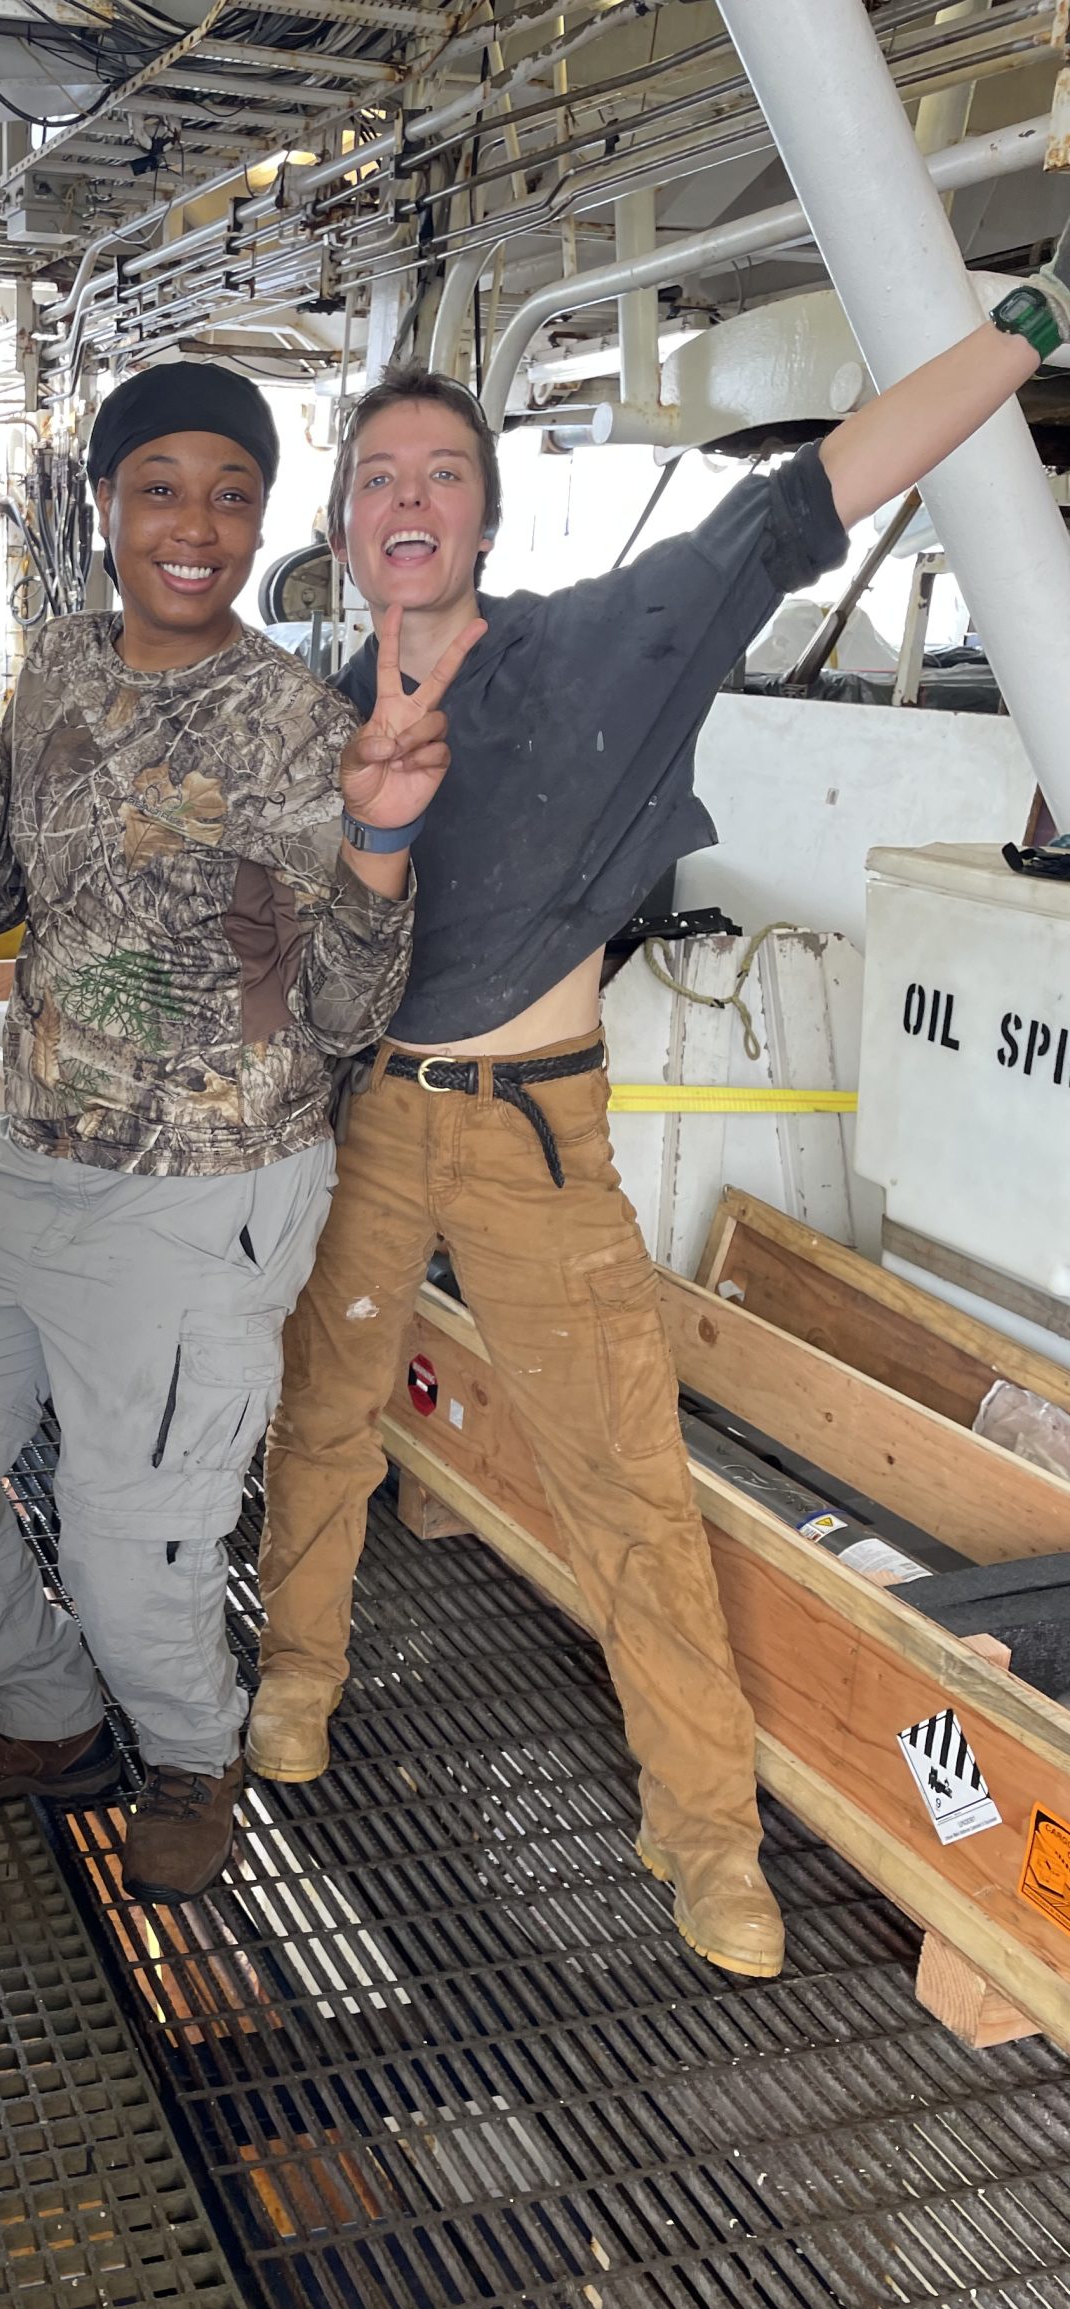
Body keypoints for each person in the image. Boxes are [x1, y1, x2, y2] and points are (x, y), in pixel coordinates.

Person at [254, 232, 1070, 1978]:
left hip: (538, 1141)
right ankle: (296, 1682)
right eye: (378, 477)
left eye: (444, 473)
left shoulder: (600, 646)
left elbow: (818, 489)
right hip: (367, 1121)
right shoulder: (301, 720)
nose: (410, 500)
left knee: (628, 1482)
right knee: (321, 1416)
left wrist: (1033, 326)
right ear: (343, 527)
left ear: (486, 518)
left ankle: (706, 1837)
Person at [0, 362, 483, 1903]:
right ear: (104, 505)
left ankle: (193, 1753)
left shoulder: (302, 727)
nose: (195, 525)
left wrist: (380, 841)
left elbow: (343, 1012)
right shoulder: (62, 661)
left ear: (263, 521)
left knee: (135, 1546)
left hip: (210, 1189)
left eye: (231, 494)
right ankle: (48, 1715)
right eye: (160, 489)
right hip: (33, 1154)